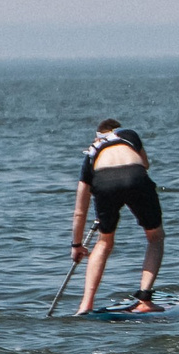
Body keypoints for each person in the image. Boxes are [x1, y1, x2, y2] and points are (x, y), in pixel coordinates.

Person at [68, 119, 165, 313]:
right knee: (155, 237)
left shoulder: (91, 154)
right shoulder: (128, 134)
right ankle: (145, 300)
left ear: (98, 136)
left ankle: (86, 304)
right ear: (115, 130)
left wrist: (77, 245)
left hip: (103, 181)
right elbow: (144, 164)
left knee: (103, 243)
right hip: (135, 176)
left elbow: (80, 210)